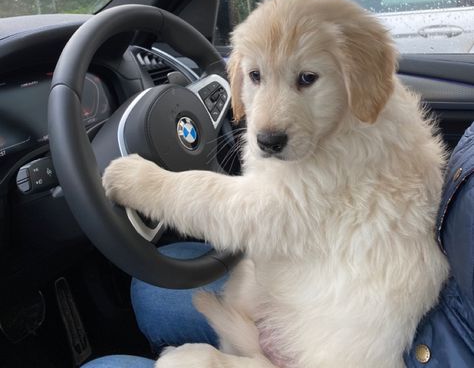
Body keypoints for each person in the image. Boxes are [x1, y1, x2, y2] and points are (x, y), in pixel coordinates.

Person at [85, 123, 474, 367]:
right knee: (150, 289)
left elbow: (255, 212)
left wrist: (156, 188)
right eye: (254, 76)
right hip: (418, 310)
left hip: (403, 349)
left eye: (305, 78)